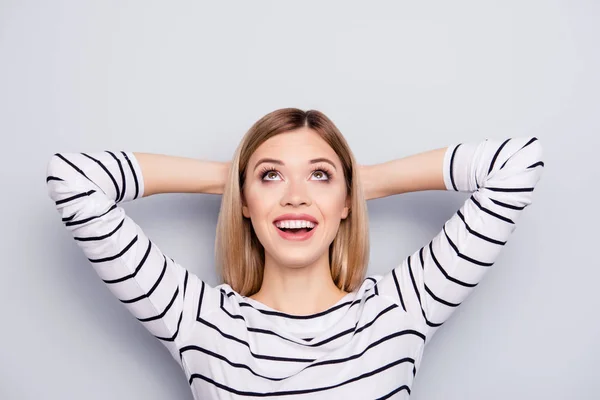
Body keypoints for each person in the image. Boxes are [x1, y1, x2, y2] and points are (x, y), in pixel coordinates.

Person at [45, 108, 545, 399]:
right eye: (271, 175)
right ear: (245, 201)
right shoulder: (199, 321)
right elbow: (74, 178)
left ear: (347, 200)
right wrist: (233, 179)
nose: (296, 196)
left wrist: (362, 181)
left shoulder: (400, 310)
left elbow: (516, 163)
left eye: (320, 175)